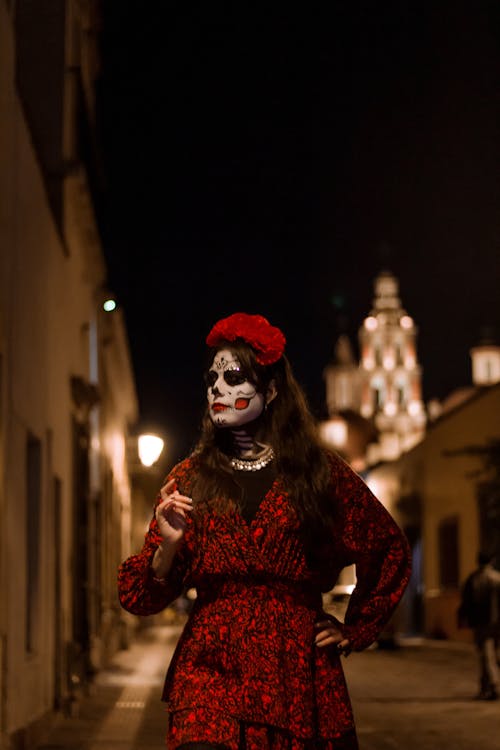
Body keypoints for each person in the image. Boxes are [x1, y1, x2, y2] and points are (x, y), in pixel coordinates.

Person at [118, 312, 412, 750]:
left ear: (271, 390)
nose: (217, 388)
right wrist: (169, 545)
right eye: (212, 377)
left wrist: (356, 627)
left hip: (295, 667)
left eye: (234, 377)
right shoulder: (190, 477)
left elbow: (387, 546)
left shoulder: (319, 474)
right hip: (211, 665)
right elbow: (140, 598)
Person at [457, 550, 500, 700]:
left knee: (486, 656)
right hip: (496, 623)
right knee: (491, 655)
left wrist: (464, 619)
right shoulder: (497, 578)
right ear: (492, 560)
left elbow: (466, 603)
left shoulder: (473, 579)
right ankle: (485, 688)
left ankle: (493, 686)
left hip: (482, 624)